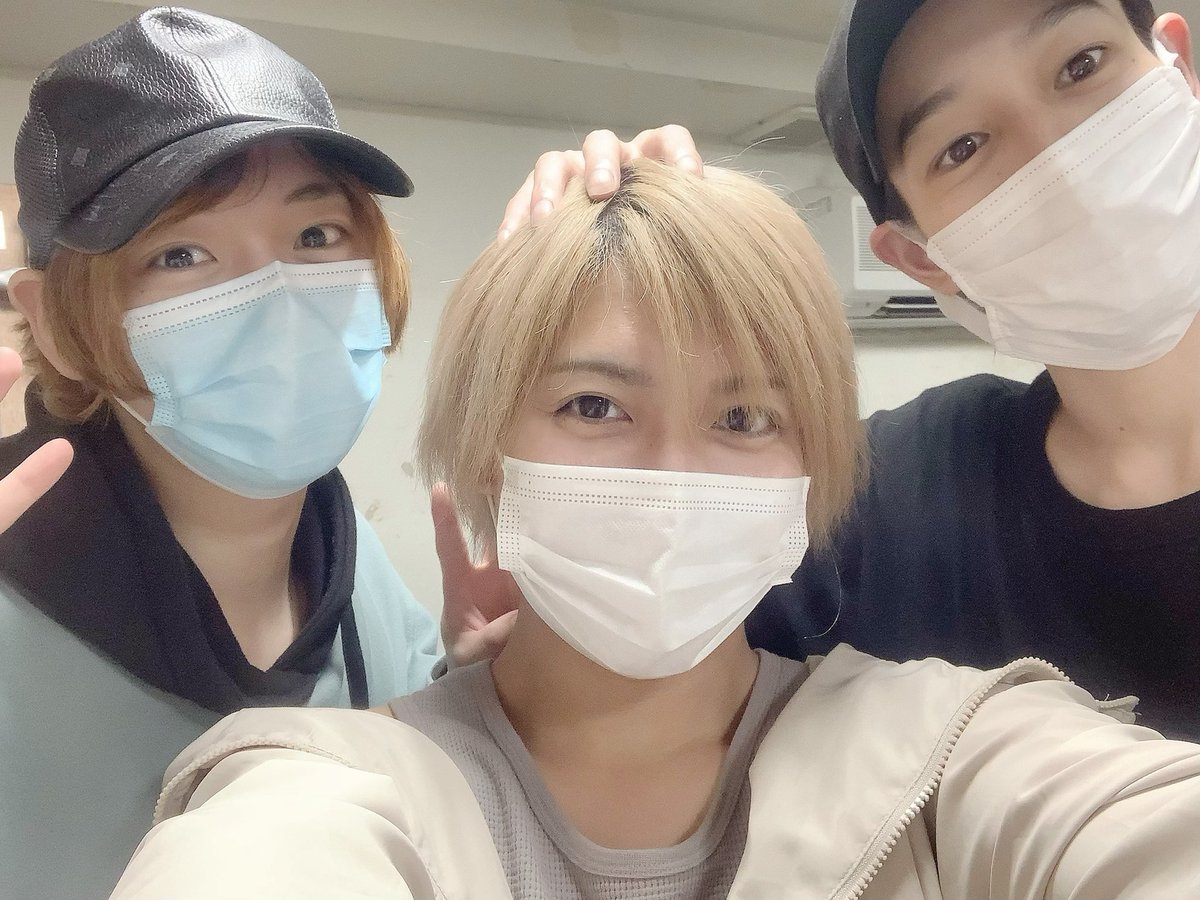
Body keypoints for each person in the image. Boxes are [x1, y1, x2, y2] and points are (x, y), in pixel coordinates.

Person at [110, 161, 1200, 900]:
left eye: (745, 418)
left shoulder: (954, 752)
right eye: (595, 406)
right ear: (486, 453)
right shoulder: (335, 788)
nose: (674, 474)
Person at [0, 9, 690, 898]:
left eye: (316, 236)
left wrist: (466, 701)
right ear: (56, 322)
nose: (278, 297)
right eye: (182, 254)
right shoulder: (21, 597)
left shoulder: (355, 581)